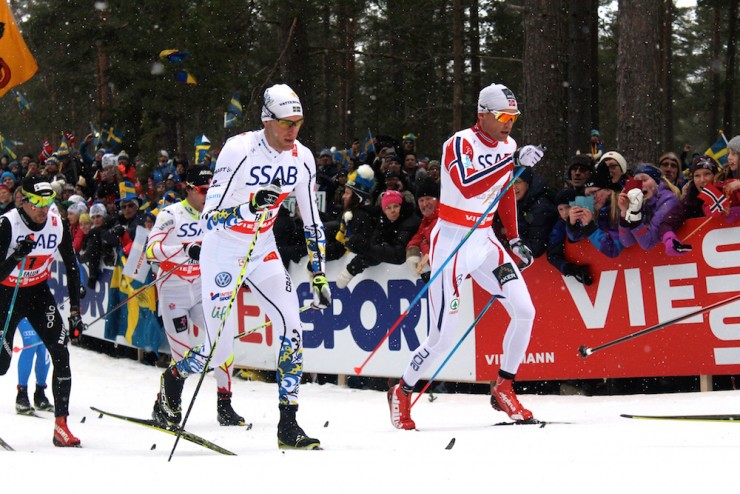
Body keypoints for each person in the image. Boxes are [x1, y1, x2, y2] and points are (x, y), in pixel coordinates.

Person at [165, 83, 330, 450]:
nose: (293, 131)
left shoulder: (302, 158)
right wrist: (248, 206)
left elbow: (312, 221)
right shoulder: (239, 150)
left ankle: (289, 424)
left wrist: (318, 271)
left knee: (292, 327)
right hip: (223, 249)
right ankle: (172, 381)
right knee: (217, 352)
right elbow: (208, 220)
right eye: (286, 123)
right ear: (267, 120)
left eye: (298, 123)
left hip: (262, 247)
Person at [388, 83, 543, 429]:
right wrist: (512, 162)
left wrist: (515, 239)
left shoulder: (509, 146)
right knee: (442, 338)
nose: (508, 125)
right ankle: (403, 389)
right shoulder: (459, 144)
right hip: (453, 241)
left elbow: (504, 192)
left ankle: (504, 386)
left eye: (514, 118)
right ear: (482, 114)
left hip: (485, 240)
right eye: (503, 117)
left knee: (525, 310)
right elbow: (469, 185)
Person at [146, 165, 246, 426]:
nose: (208, 195)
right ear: (188, 189)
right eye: (203, 190)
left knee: (223, 344)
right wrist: (184, 250)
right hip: (173, 291)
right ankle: (166, 405)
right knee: (182, 355)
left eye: (212, 190)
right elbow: (151, 250)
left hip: (204, 290)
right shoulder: (170, 214)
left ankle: (225, 406)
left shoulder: (215, 215)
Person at [0, 175, 84, 446]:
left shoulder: (57, 222)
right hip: (6, 294)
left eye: (48, 203)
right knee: (1, 365)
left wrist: (75, 311)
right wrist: (15, 257)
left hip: (37, 293)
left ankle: (61, 426)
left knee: (61, 352)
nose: (42, 210)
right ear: (23, 200)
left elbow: (71, 265)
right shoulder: (7, 224)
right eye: (36, 204)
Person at [335, 189, 420, 289]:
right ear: (384, 210)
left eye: (396, 206)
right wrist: (358, 250)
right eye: (388, 208)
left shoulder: (410, 221)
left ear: (402, 206)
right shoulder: (384, 222)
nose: (392, 210)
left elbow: (399, 255)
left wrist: (367, 248)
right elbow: (374, 248)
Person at [618, 164, 688, 256]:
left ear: (657, 182)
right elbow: (627, 242)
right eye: (636, 181)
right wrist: (625, 212)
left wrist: (634, 212)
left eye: (644, 180)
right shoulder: (642, 202)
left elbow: (649, 242)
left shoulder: (668, 199)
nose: (639, 185)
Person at [15, 318, 54, 414]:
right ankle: (22, 394)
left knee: (43, 348)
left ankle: (40, 394)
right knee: (31, 342)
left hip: (41, 311)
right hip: (23, 311)